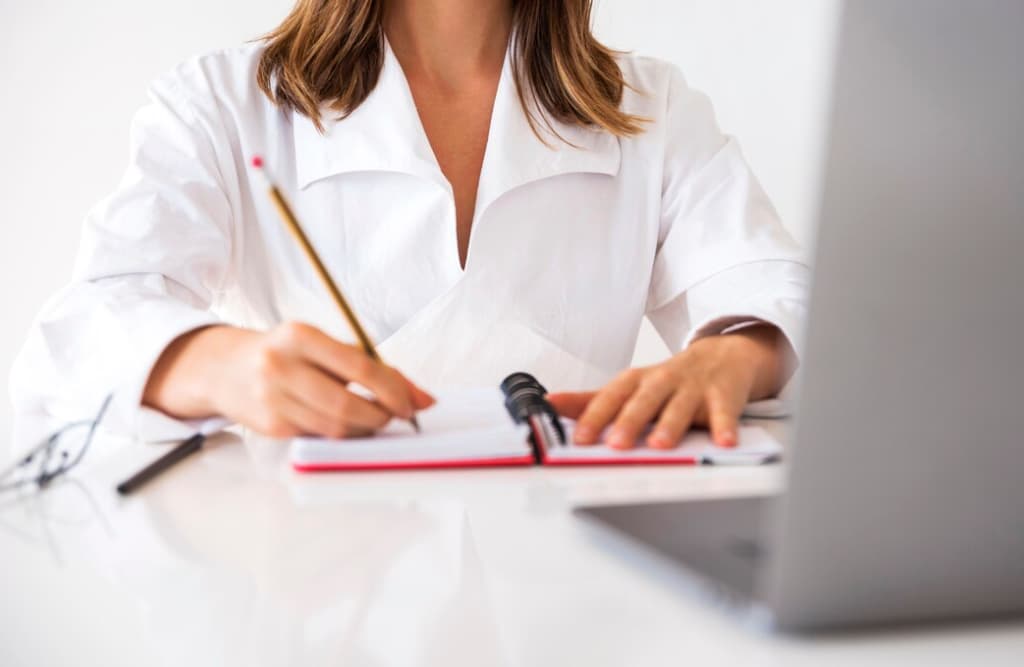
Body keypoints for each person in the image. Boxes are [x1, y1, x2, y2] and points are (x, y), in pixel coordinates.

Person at [11, 0, 808, 451]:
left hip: (571, 582)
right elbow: (83, 328)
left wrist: (734, 356)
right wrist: (219, 365)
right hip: (319, 582)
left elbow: (776, 293)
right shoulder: (220, 104)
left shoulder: (651, 109)